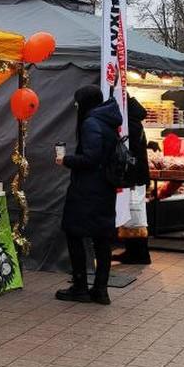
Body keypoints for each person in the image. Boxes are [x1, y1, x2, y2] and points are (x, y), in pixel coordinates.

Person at [56, 86, 124, 305]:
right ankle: (101, 289)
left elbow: (91, 158)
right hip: (105, 189)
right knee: (101, 240)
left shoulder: (90, 123)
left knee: (74, 233)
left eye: (77, 101)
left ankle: (80, 286)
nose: (76, 106)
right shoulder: (108, 121)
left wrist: (66, 160)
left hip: (87, 190)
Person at [118, 96, 153, 265]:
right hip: (138, 176)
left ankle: (139, 254)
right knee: (133, 213)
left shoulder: (130, 125)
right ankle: (133, 251)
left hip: (135, 177)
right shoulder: (135, 121)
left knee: (135, 214)